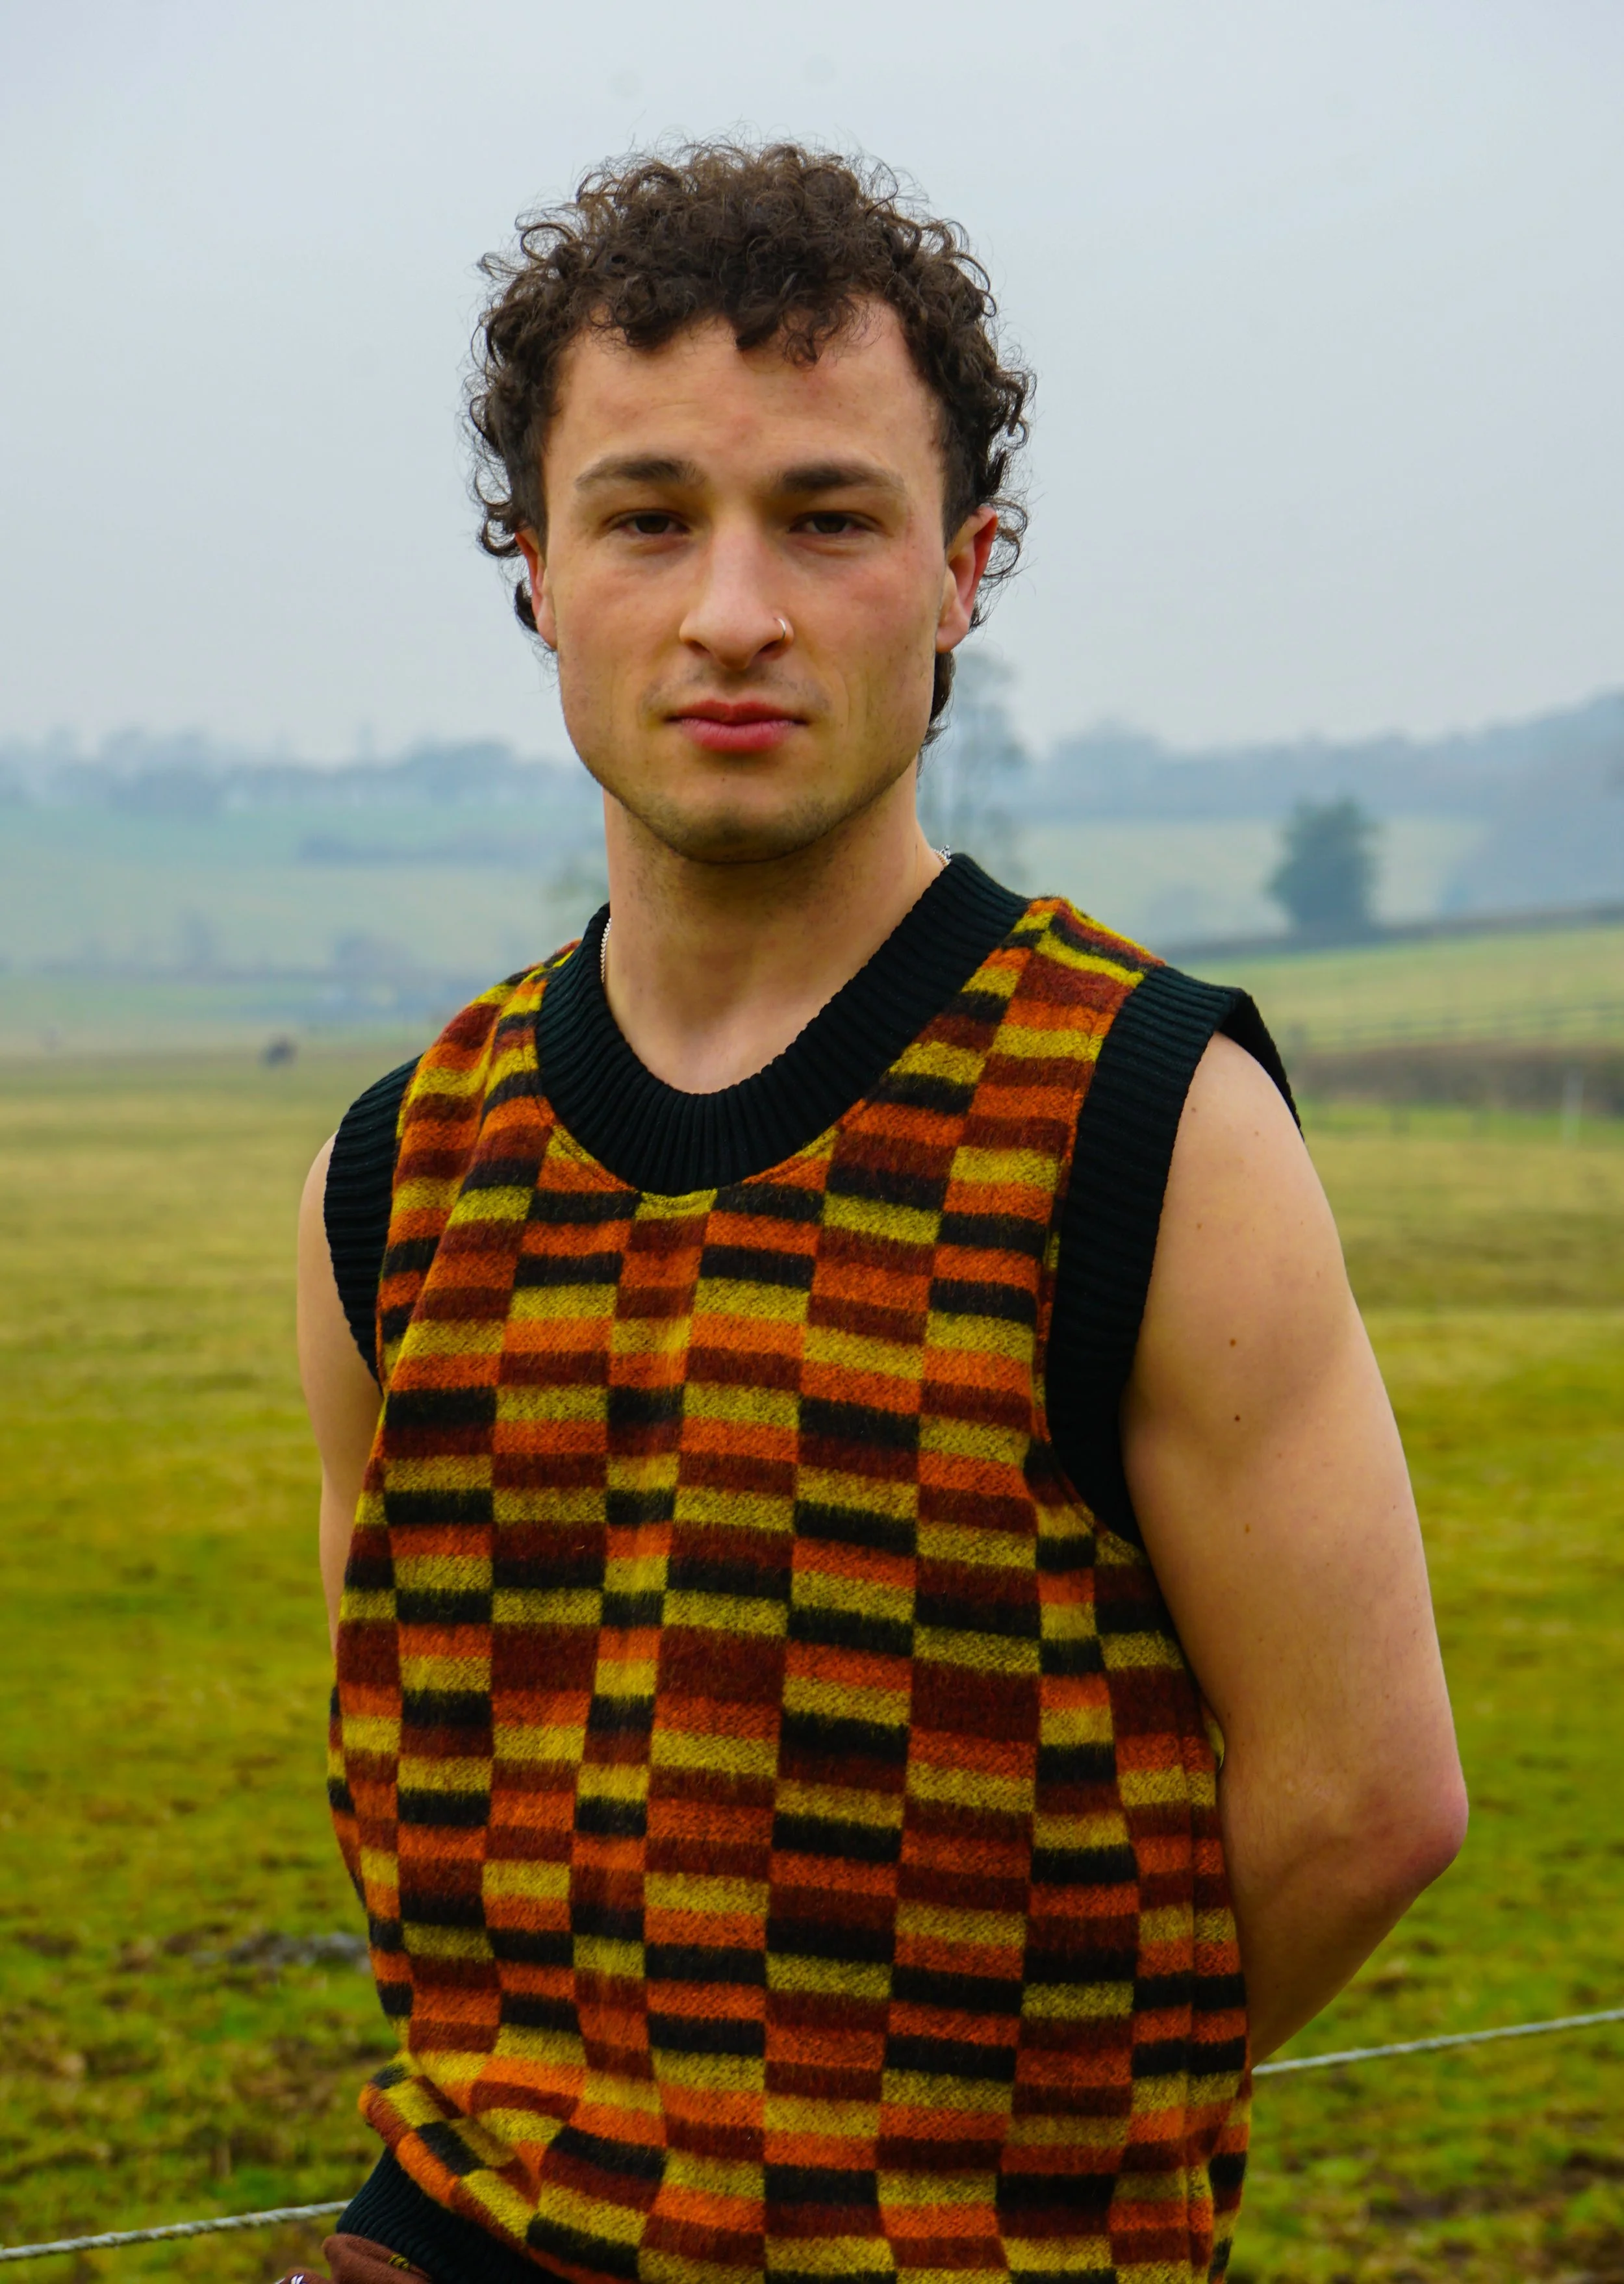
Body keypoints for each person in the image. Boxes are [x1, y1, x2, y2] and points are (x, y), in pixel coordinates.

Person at [286, 142, 1466, 2284]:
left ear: (959, 573)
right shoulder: (395, 1160)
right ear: (536, 571)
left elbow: (1365, 1803)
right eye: (645, 516)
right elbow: (429, 1802)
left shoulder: (1149, 1112)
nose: (732, 608)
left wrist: (969, 2161)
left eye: (828, 517)